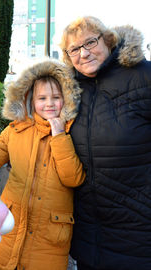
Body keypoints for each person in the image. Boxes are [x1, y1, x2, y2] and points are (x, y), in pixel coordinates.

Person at [0, 59, 86, 270]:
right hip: (9, 232)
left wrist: (59, 136)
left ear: (66, 99)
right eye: (42, 98)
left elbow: (73, 178)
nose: (49, 104)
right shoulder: (16, 130)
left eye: (56, 98)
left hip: (48, 242)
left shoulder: (72, 131)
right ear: (30, 99)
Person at [59, 16, 151, 270]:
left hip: (139, 236)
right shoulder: (69, 90)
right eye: (75, 49)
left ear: (108, 40)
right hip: (90, 239)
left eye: (90, 42)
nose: (84, 53)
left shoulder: (144, 76)